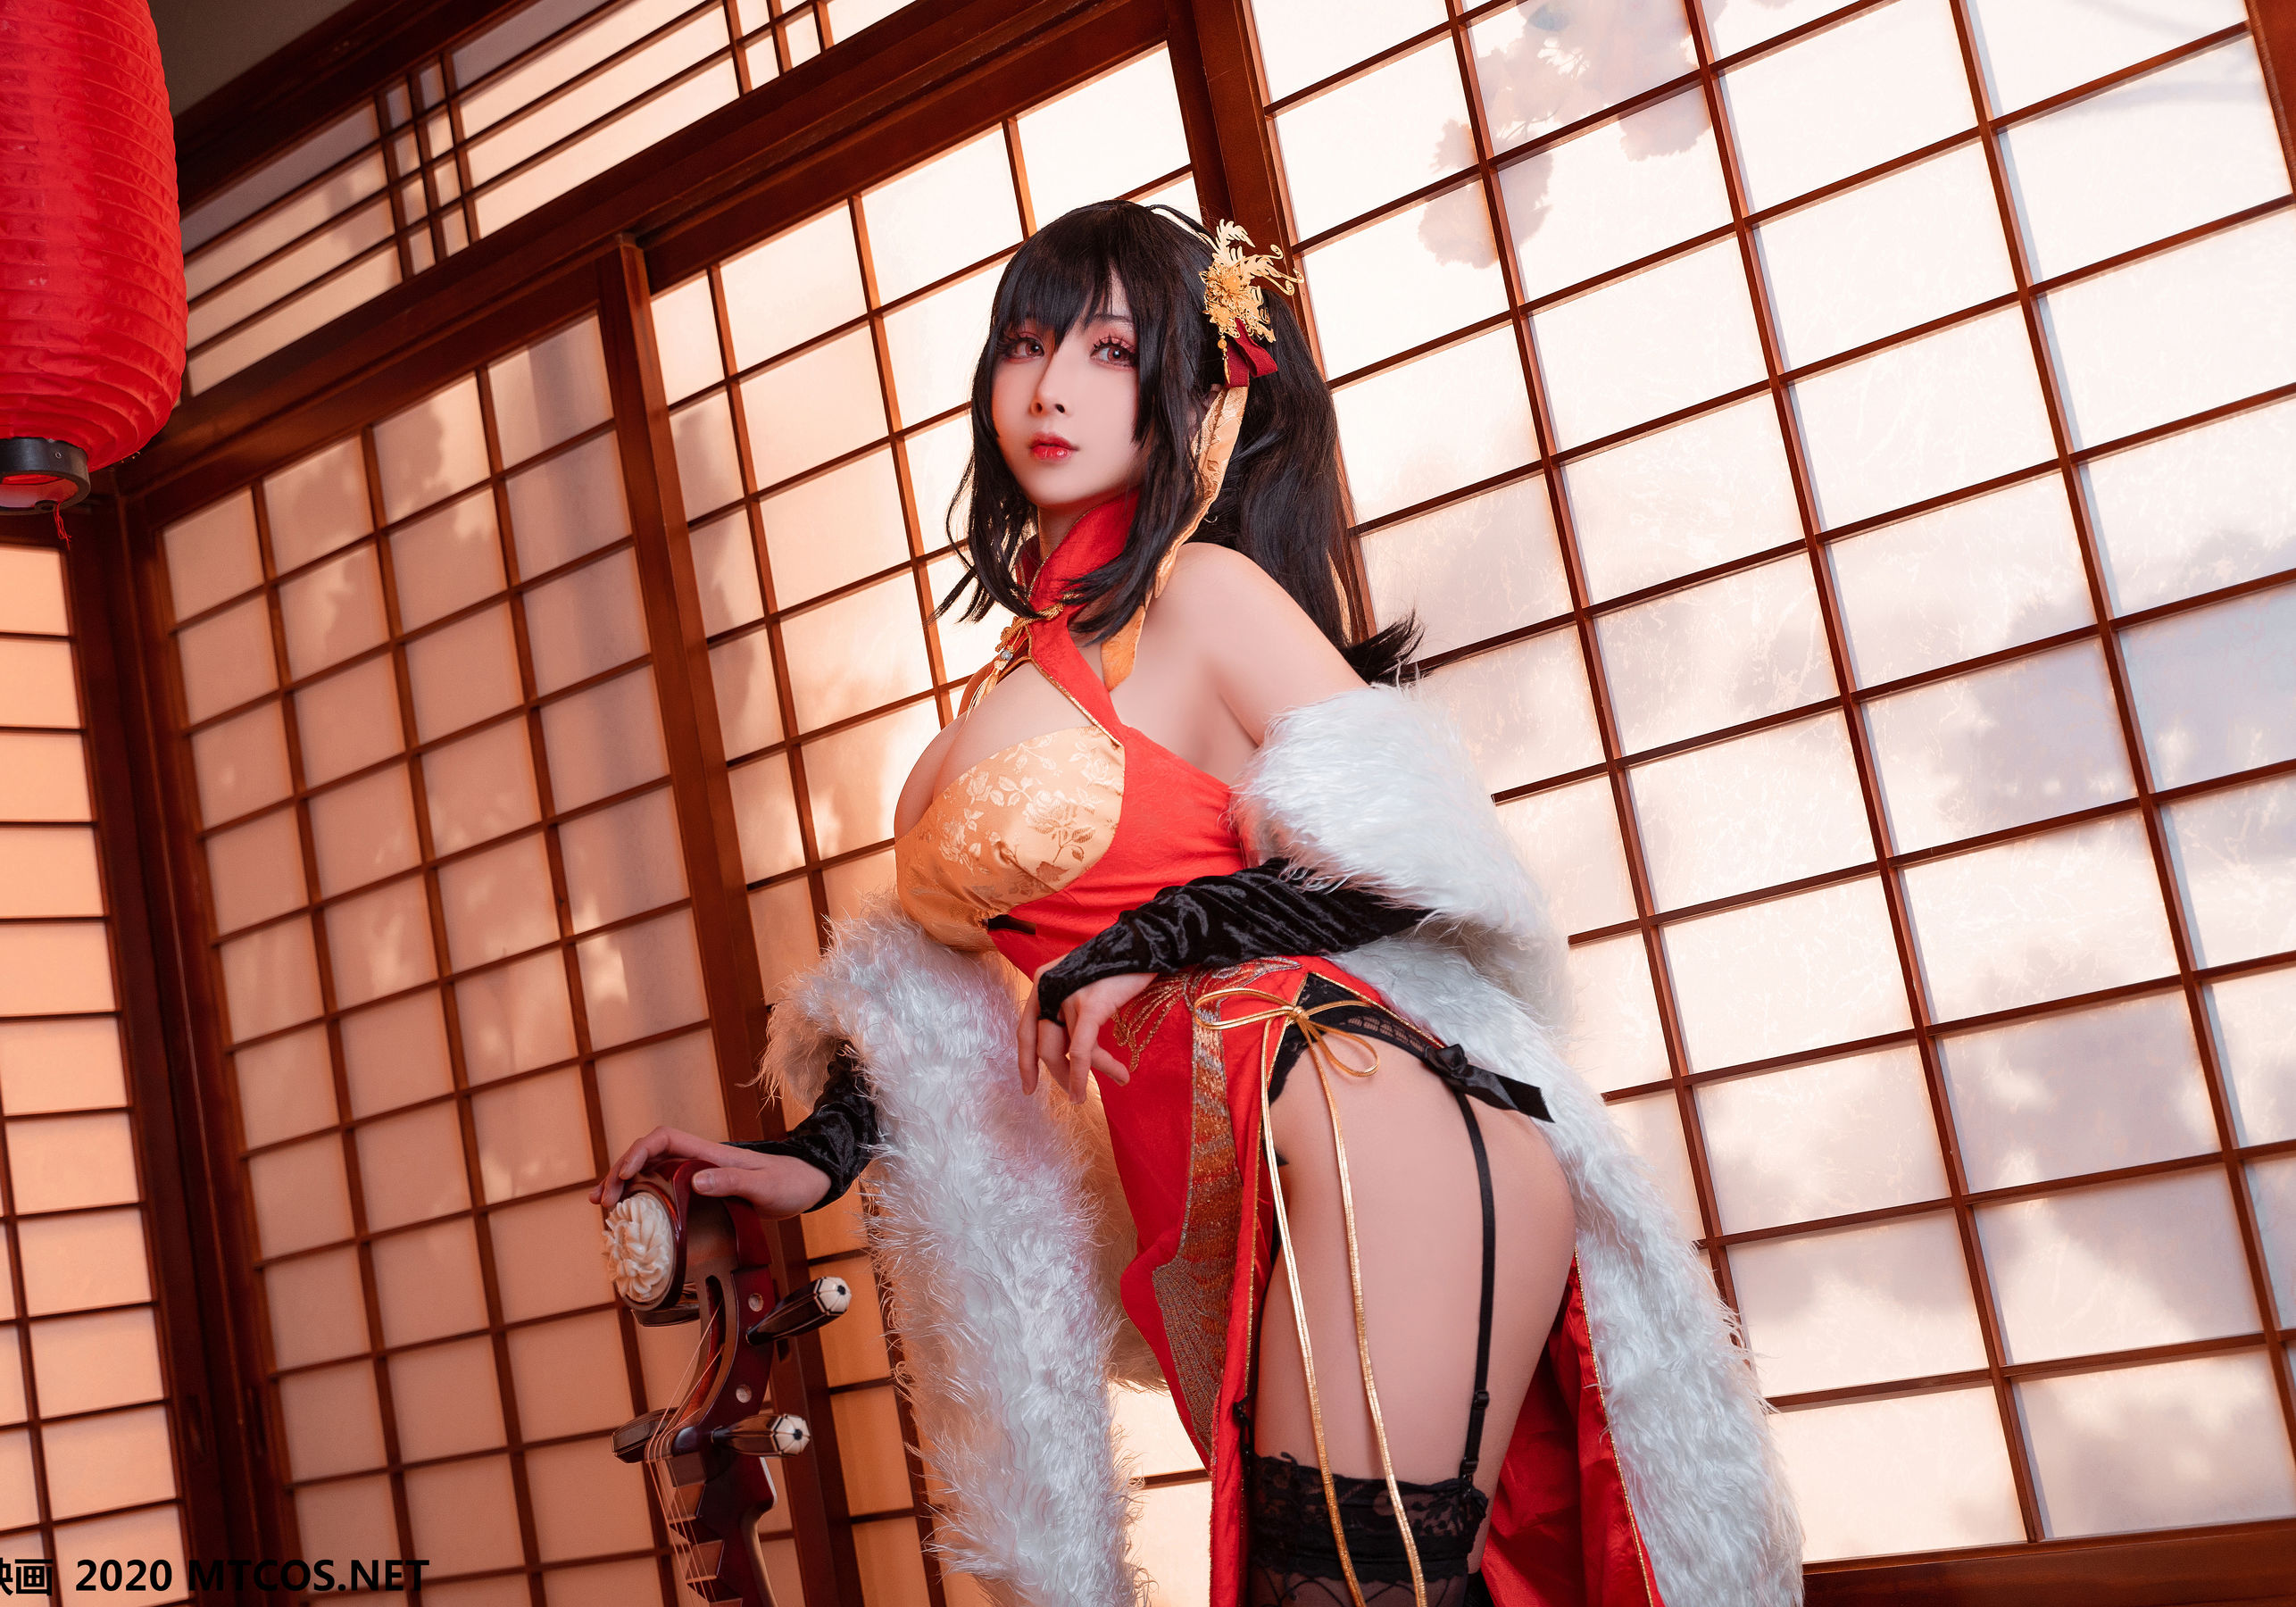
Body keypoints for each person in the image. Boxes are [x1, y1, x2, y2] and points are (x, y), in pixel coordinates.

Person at [595, 203, 1799, 1607]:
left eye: (1109, 351)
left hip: (1358, 1115)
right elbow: (937, 995)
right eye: (1027, 344)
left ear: (1189, 394)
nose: (1052, 386)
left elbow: (1425, 863)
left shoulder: (1206, 597)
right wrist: (813, 1153)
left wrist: (1158, 937)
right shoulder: (1000, 693)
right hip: (1225, 1180)